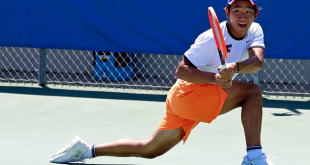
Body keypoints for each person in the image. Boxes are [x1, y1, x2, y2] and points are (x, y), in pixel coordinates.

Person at [50, 0, 275, 164]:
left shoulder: (255, 30)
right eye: (237, 10)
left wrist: (234, 68)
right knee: (252, 92)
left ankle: (87, 150)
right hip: (189, 93)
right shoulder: (209, 39)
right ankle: (254, 157)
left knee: (149, 149)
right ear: (227, 13)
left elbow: (257, 62)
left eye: (248, 11)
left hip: (189, 98)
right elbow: (181, 70)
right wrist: (215, 78)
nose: (243, 16)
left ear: (255, 15)